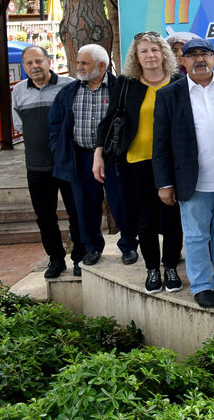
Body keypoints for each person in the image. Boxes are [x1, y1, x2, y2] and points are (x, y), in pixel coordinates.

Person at [151, 38, 214, 309]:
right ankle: (202, 285)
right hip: (192, 180)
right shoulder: (170, 94)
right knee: (195, 235)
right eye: (192, 55)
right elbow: (160, 143)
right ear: (182, 60)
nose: (199, 60)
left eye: (205, 54)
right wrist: (164, 183)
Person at [93, 32, 183, 293]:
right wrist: (98, 154)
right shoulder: (126, 84)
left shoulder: (178, 82)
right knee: (145, 220)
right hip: (136, 162)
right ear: (136, 56)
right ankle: (152, 270)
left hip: (171, 163)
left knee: (172, 218)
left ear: (163, 53)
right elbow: (109, 121)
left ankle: (171, 268)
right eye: (144, 51)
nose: (150, 55)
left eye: (155, 50)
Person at [48, 44, 137, 269]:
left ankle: (128, 246)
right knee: (86, 206)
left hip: (115, 159)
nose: (79, 67)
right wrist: (59, 148)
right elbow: (55, 125)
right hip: (81, 158)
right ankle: (92, 248)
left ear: (102, 65)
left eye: (84, 63)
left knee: (122, 203)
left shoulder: (120, 88)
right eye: (78, 62)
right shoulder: (69, 92)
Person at [12, 45, 80, 279]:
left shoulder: (69, 85)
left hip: (68, 162)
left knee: (76, 212)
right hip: (36, 166)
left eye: (39, 61)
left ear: (49, 61)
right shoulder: (18, 91)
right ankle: (56, 259)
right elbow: (20, 125)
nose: (35, 67)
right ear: (24, 67)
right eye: (29, 63)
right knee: (44, 217)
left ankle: (80, 257)